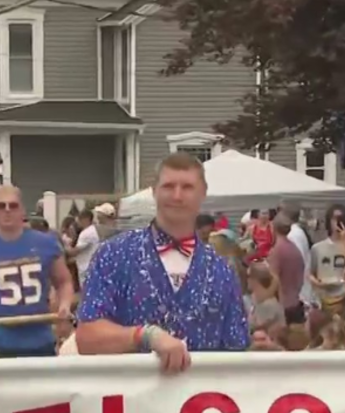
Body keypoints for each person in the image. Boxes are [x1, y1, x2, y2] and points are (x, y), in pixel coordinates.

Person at [76, 152, 249, 372]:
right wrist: (144, 335)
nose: (177, 196)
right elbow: (87, 338)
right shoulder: (114, 254)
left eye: (187, 187)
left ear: (203, 193)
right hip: (130, 400)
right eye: (168, 186)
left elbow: (237, 351)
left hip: (199, 401)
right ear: (154, 191)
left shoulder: (221, 269)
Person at [0, 185, 73, 358]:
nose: (7, 211)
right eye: (1, 206)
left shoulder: (46, 244)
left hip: (40, 339)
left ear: (23, 210)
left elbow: (64, 281)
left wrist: (64, 305)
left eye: (13, 205)